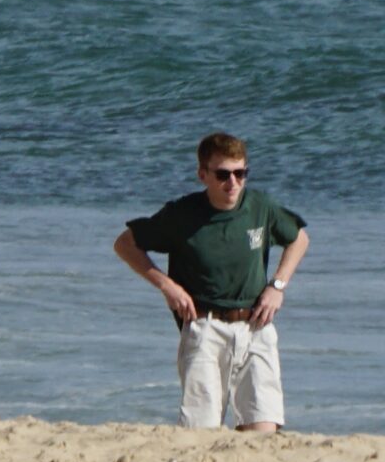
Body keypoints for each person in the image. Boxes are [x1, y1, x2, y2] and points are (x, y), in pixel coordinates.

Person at [114, 132, 310, 432]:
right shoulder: (182, 214)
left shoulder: (261, 207)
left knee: (263, 432)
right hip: (204, 328)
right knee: (200, 432)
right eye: (223, 175)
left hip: (256, 326)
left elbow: (299, 239)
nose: (233, 183)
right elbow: (125, 244)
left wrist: (277, 286)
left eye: (240, 173)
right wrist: (166, 286)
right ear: (203, 175)